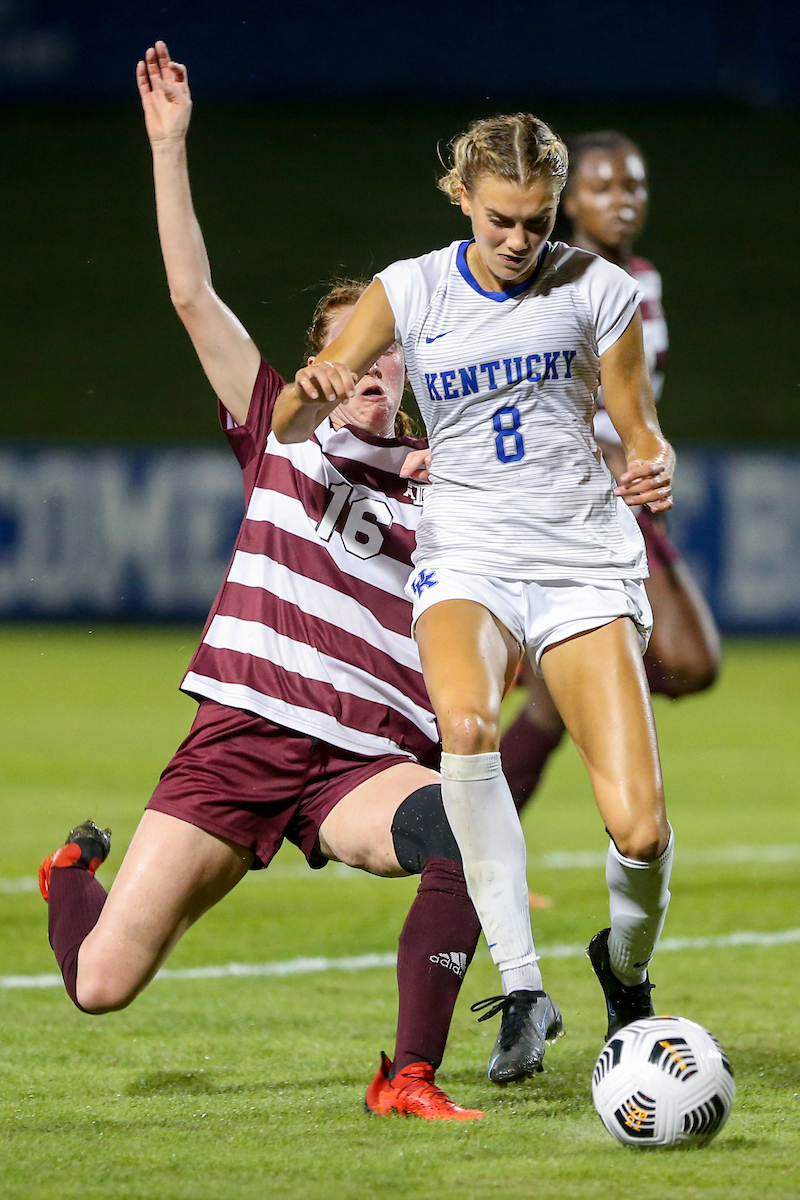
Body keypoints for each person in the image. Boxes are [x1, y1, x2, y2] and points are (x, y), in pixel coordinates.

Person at [38, 41, 486, 1124]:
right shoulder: (280, 435)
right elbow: (192, 296)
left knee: (466, 822)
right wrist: (168, 144)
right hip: (240, 742)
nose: (378, 368)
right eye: (357, 353)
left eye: (392, 356)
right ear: (322, 361)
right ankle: (65, 881)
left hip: (360, 763)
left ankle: (406, 1077)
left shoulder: (451, 489)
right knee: (100, 986)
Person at [273, 113, 676, 1078]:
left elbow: (638, 423)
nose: (518, 241)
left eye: (536, 222)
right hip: (469, 558)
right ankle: (524, 989)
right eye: (501, 219)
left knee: (641, 828)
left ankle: (623, 971)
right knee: (463, 725)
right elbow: (287, 422)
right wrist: (315, 385)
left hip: (581, 564)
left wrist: (654, 462)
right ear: (462, 199)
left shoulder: (597, 288)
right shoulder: (408, 289)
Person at [500, 130, 721, 813]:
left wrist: (646, 448)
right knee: (685, 659)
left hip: (628, 500)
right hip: (577, 497)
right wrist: (607, 451)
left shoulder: (643, 278)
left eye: (632, 186)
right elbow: (525, 398)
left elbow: (634, 395)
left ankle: (465, 852)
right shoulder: (553, 283)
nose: (620, 201)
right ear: (570, 203)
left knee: (557, 701)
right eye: (602, 188)